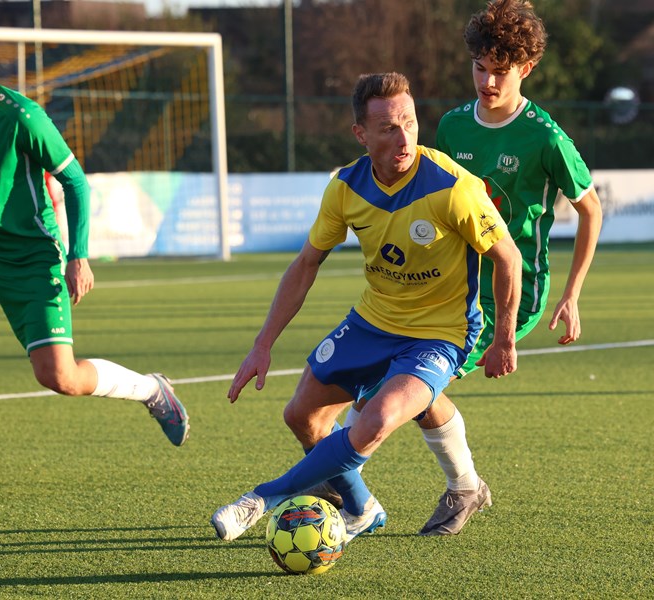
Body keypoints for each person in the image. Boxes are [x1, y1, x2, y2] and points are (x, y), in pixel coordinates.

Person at [210, 72, 522, 542]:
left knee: (376, 419)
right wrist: (262, 343)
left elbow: (508, 258)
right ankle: (362, 508)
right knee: (302, 417)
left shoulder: (452, 187)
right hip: (372, 321)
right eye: (388, 128)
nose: (404, 138)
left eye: (410, 124)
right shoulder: (345, 187)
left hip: (441, 332)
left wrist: (504, 339)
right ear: (361, 134)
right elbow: (305, 264)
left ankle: (261, 499)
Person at [0, 15, 189, 499]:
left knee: (61, 378)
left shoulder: (22, 116)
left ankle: (152, 390)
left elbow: (74, 180)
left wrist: (79, 256)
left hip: (32, 260)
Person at [345, 0, 603, 536]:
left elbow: (590, 210)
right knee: (413, 385)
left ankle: (345, 485)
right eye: (480, 67)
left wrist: (572, 294)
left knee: (401, 386)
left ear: (526, 69)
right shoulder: (454, 125)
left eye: (501, 71)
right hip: (447, 283)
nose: (487, 80)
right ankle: (462, 488)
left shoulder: (545, 137)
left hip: (510, 290)